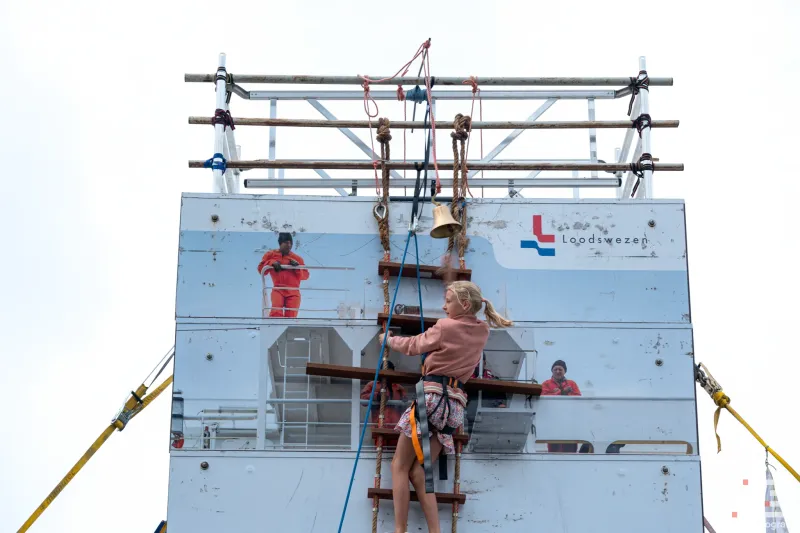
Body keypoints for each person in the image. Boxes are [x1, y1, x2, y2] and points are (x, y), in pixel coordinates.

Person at [381, 281, 513, 533]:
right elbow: (466, 322)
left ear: (463, 304)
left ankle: (399, 530)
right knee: (419, 471)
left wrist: (387, 339)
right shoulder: (483, 330)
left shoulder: (444, 326)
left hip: (430, 399)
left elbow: (413, 346)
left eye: (448, 300)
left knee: (398, 465)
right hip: (454, 408)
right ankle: (435, 531)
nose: (443, 306)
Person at [257, 233, 309, 318]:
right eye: (286, 243)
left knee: (291, 317)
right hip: (278, 289)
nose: (289, 245)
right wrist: (271, 263)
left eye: (290, 243)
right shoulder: (271, 255)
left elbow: (305, 276)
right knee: (276, 313)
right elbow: (261, 269)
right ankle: (274, 329)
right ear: (280, 243)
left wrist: (297, 268)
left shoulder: (297, 259)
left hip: (293, 291)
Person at [360, 360, 407, 446]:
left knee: (394, 454)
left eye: (390, 373)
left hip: (395, 427)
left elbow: (405, 405)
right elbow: (362, 399)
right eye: (386, 372)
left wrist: (404, 400)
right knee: (379, 448)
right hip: (379, 426)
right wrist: (376, 396)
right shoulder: (372, 385)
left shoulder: (398, 387)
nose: (388, 375)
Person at [540, 359, 582, 453]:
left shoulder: (572, 383)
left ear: (564, 371)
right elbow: (543, 397)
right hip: (552, 418)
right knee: (553, 445)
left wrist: (558, 393)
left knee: (570, 446)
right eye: (555, 369)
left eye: (560, 369)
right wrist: (562, 392)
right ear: (552, 371)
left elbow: (578, 398)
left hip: (570, 418)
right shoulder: (546, 384)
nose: (558, 371)